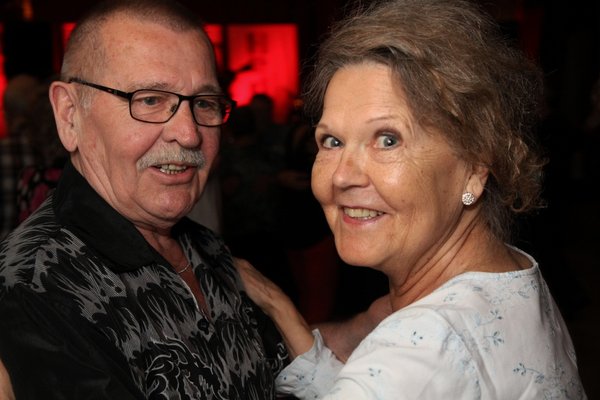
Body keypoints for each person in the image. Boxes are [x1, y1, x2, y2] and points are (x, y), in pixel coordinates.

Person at [0, 1, 382, 398]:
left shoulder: (204, 246)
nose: (188, 133)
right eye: (150, 100)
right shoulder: (41, 284)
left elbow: (262, 370)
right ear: (70, 115)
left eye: (203, 103)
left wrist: (372, 324)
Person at [235, 0, 587, 398]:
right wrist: (284, 313)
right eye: (332, 141)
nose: (342, 176)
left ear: (475, 166)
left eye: (388, 140)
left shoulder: (416, 353)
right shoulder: (511, 274)